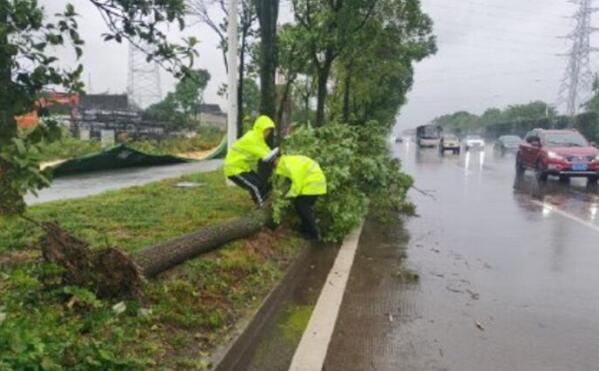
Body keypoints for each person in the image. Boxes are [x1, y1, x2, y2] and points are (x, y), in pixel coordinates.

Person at [224, 115, 277, 207]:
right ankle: (262, 208)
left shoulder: (259, 139)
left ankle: (263, 203)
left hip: (243, 167)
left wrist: (280, 156)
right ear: (261, 128)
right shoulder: (251, 138)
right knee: (255, 187)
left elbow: (267, 150)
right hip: (233, 168)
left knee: (261, 184)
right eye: (267, 130)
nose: (269, 133)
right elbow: (266, 156)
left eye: (270, 130)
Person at [274, 154, 327, 240]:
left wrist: (289, 195)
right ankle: (305, 229)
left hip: (312, 184)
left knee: (303, 207)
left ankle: (314, 233)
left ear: (277, 159)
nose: (273, 164)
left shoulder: (288, 163)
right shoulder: (289, 161)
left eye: (273, 162)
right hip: (315, 183)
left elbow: (297, 181)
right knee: (302, 207)